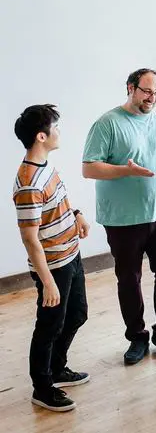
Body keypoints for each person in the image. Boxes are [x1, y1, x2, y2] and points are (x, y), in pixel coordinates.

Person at [82, 68, 156, 365]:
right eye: (146, 91)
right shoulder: (108, 123)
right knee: (129, 278)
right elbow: (89, 168)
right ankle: (137, 337)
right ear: (131, 88)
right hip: (122, 218)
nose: (152, 98)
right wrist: (125, 170)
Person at [13, 105, 91, 411]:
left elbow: (59, 201)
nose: (60, 131)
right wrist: (47, 282)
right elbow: (30, 238)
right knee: (49, 326)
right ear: (41, 136)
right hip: (53, 267)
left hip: (71, 254)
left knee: (77, 314)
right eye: (55, 127)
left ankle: (58, 368)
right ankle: (42, 387)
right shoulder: (28, 183)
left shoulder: (46, 166)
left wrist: (77, 215)